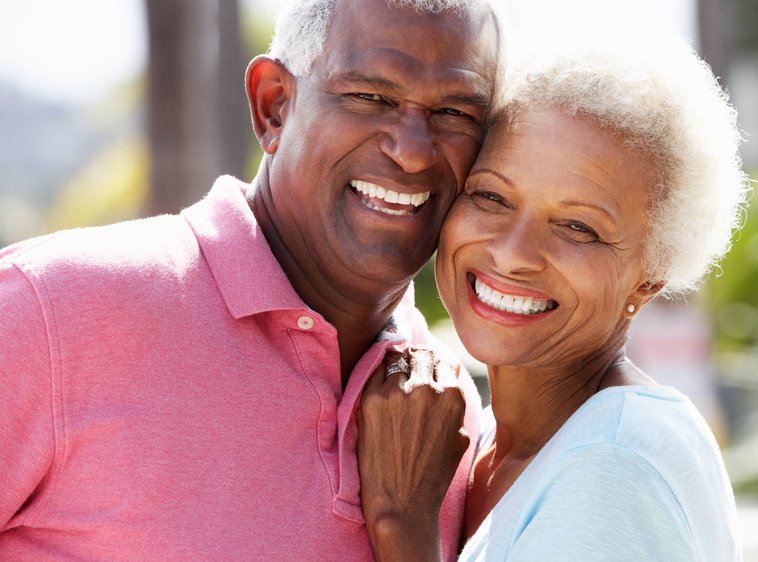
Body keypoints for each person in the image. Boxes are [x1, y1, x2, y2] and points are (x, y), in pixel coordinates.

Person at [0, 0, 500, 559]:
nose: (412, 152)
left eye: (456, 113)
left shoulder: (450, 410)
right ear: (273, 107)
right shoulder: (53, 311)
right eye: (370, 97)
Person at [356, 33, 747, 561]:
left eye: (578, 228)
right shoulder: (499, 440)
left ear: (649, 278)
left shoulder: (610, 464)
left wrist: (403, 527)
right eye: (491, 196)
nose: (515, 253)